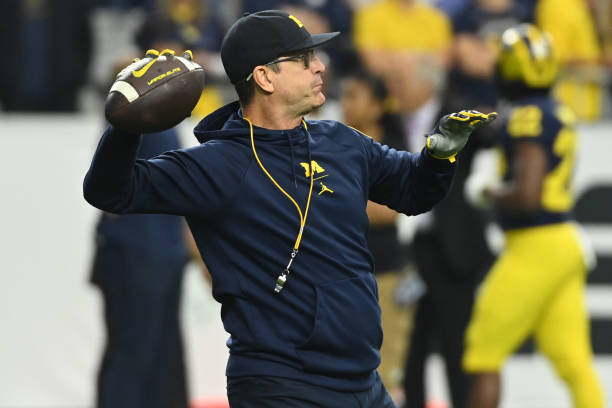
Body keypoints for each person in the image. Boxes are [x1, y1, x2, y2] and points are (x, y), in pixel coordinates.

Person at [83, 10, 495, 407]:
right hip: (281, 385)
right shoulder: (217, 164)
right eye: (302, 59)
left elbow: (413, 192)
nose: (320, 67)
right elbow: (110, 191)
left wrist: (439, 158)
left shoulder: (342, 141)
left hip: (363, 381)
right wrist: (124, 126)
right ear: (264, 77)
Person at [462, 24, 605, 408]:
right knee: (574, 363)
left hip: (535, 247)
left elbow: (527, 194)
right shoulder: (554, 108)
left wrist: (487, 190)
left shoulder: (527, 115)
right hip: (560, 243)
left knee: (482, 352)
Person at [339, 68, 416, 404]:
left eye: (354, 96)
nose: (345, 104)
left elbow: (391, 210)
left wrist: (335, 202)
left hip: (384, 272)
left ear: (377, 106)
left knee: (384, 371)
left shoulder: (393, 149)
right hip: (339, 273)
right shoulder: (333, 141)